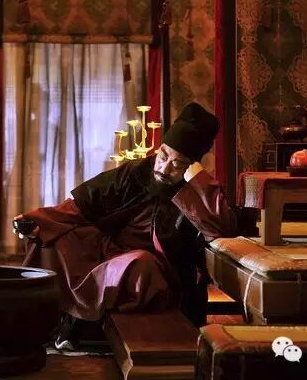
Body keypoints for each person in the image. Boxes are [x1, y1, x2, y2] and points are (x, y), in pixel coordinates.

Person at [14, 103, 237, 350]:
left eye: (177, 164)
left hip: (154, 267)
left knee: (141, 264)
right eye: (163, 156)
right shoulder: (135, 172)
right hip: (108, 251)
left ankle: (79, 324)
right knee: (52, 239)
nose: (164, 169)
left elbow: (220, 231)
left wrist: (198, 182)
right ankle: (61, 320)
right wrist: (37, 220)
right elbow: (79, 205)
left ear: (191, 167)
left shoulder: (196, 190)